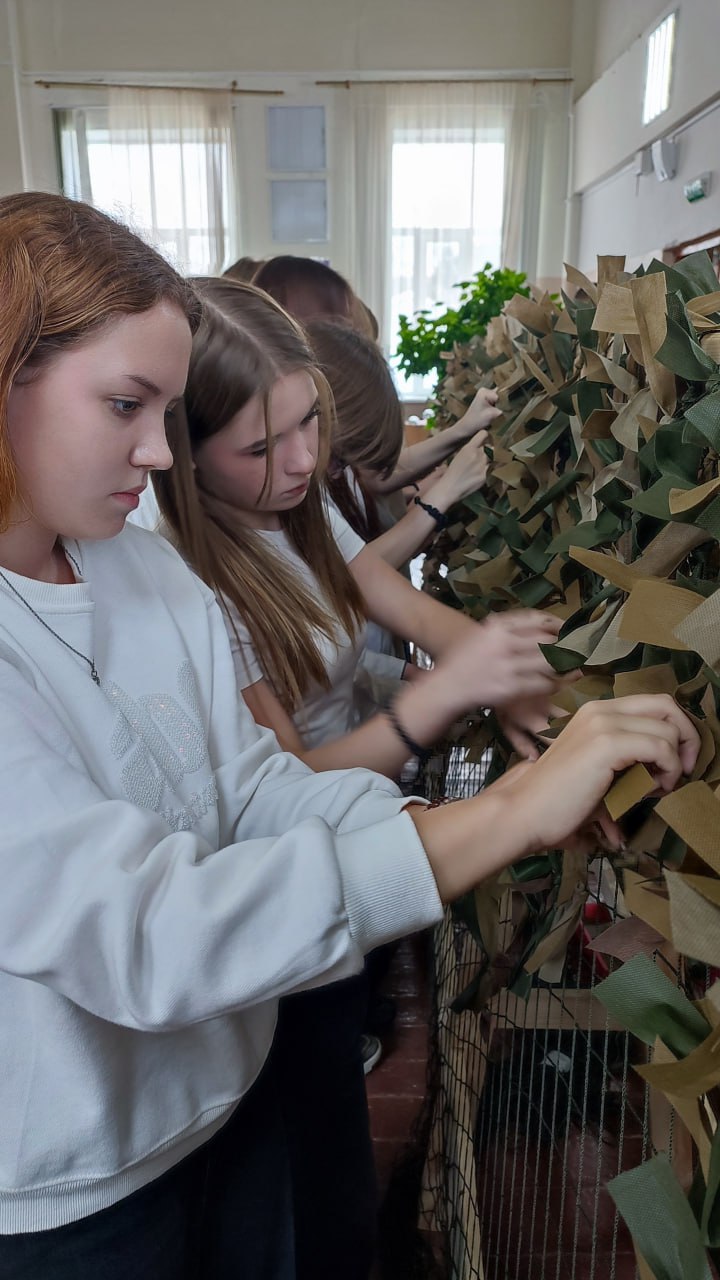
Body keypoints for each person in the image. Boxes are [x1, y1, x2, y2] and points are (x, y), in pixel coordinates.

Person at [0, 193, 699, 1280]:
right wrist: (503, 811)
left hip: (226, 1100)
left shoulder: (139, 573)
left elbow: (256, 791)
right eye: (126, 403)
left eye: (167, 410)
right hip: (73, 1193)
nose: (156, 450)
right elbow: (148, 928)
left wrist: (471, 824)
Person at [307, 317, 495, 569]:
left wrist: (462, 430)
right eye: (340, 458)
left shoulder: (325, 463)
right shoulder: (297, 493)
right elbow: (347, 578)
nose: (337, 472)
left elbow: (375, 472)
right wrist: (444, 493)